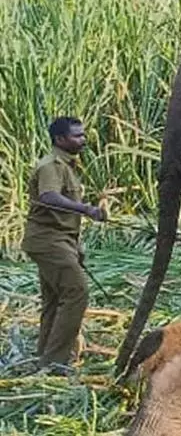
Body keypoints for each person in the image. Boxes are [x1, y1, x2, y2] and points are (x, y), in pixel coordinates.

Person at [20, 116, 105, 375]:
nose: (83, 140)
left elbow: (61, 214)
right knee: (77, 292)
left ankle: (45, 356)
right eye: (77, 136)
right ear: (60, 139)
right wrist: (87, 209)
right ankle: (56, 364)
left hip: (59, 239)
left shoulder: (67, 166)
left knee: (55, 298)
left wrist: (75, 245)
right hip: (47, 240)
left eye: (83, 134)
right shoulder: (51, 165)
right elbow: (49, 197)